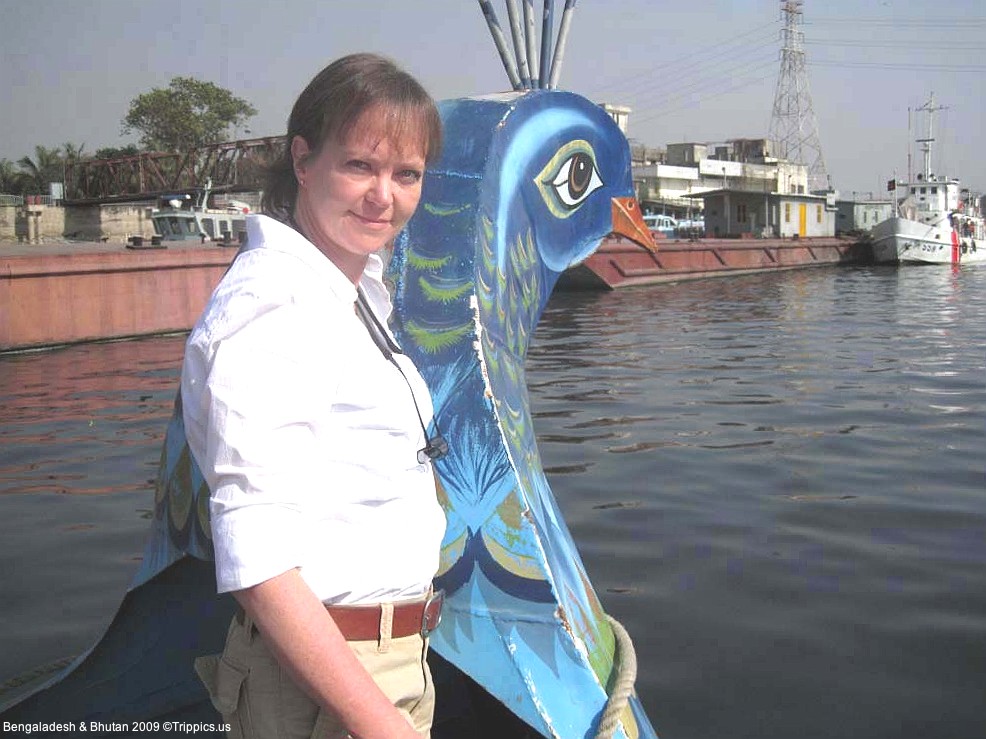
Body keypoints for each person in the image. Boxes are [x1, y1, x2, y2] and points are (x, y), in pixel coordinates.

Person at [182, 53, 447, 739]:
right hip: (327, 685)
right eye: (359, 165)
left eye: (407, 174)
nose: (383, 196)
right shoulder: (278, 304)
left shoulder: (344, 292)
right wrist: (381, 726)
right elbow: (258, 557)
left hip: (383, 664)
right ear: (303, 161)